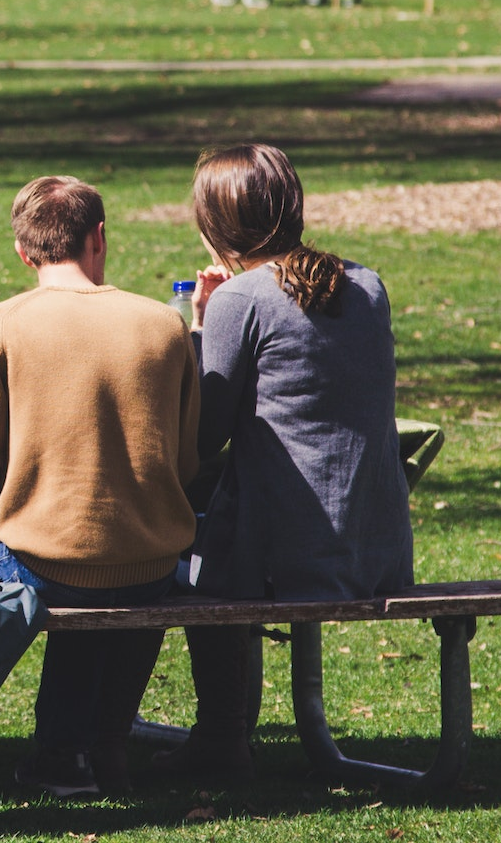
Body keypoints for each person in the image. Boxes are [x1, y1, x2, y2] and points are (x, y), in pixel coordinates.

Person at [0, 174, 200, 799]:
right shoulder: (165, 325)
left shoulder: (1, 323)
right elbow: (183, 466)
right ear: (99, 238)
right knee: (85, 553)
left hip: (46, 562)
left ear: (23, 253)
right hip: (152, 563)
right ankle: (64, 753)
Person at [157, 143, 414, 777]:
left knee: (170, 561)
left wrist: (201, 327)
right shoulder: (367, 285)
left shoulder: (243, 299)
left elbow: (201, 440)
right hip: (375, 545)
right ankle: (227, 733)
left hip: (286, 554)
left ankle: (218, 735)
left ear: (216, 225)